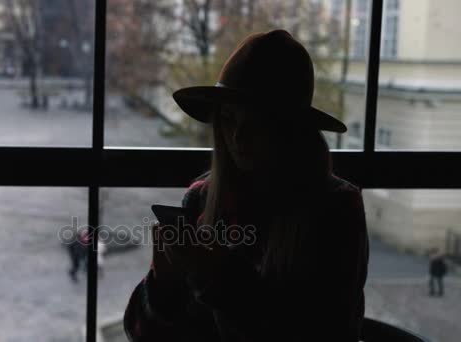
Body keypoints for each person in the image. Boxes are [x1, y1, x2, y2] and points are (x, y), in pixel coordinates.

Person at [123, 29, 369, 342]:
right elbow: (141, 334)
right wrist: (163, 283)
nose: (238, 137)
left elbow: (325, 330)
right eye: (228, 119)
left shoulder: (334, 209)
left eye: (256, 121)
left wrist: (218, 277)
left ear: (291, 129)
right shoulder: (202, 197)